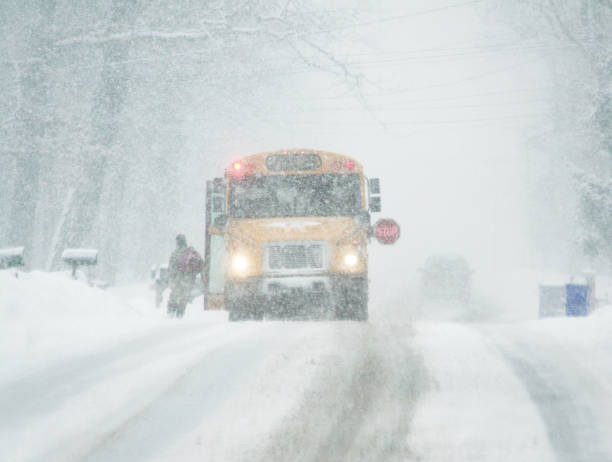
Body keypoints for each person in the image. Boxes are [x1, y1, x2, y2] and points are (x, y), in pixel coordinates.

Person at [167, 234, 204, 318]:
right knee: (184, 298)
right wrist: (193, 274)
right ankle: (180, 314)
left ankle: (170, 313)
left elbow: (171, 267)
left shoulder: (175, 253)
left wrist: (171, 278)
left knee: (174, 295)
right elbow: (201, 264)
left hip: (178, 279)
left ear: (178, 242)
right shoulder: (191, 251)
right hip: (189, 280)